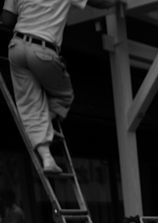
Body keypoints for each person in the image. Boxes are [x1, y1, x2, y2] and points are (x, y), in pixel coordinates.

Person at [0, 0, 117, 174]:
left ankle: (47, 158)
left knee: (29, 105)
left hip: (16, 48)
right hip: (43, 50)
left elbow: (7, 19)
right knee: (64, 96)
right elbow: (101, 2)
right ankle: (45, 119)